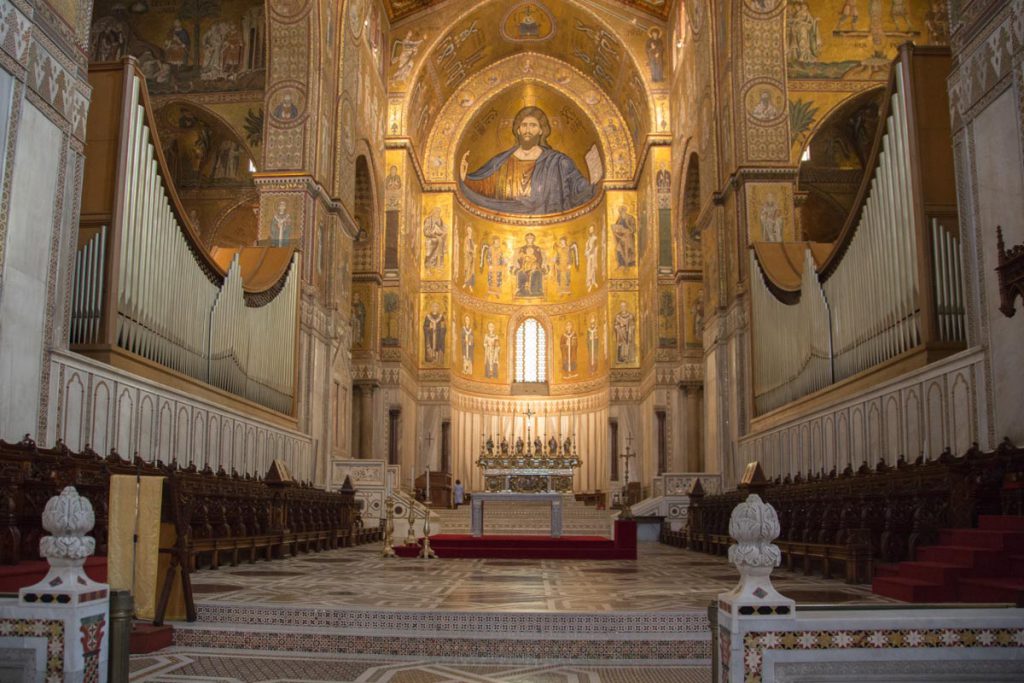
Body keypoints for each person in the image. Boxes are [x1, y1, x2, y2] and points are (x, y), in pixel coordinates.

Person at [459, 106, 601, 215]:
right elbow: (484, 185)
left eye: (533, 125)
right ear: (518, 130)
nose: (528, 130)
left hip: (550, 227)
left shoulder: (558, 162)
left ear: (541, 130)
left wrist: (596, 183)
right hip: (506, 217)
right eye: (524, 125)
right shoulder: (502, 161)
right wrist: (465, 177)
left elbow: (578, 187)